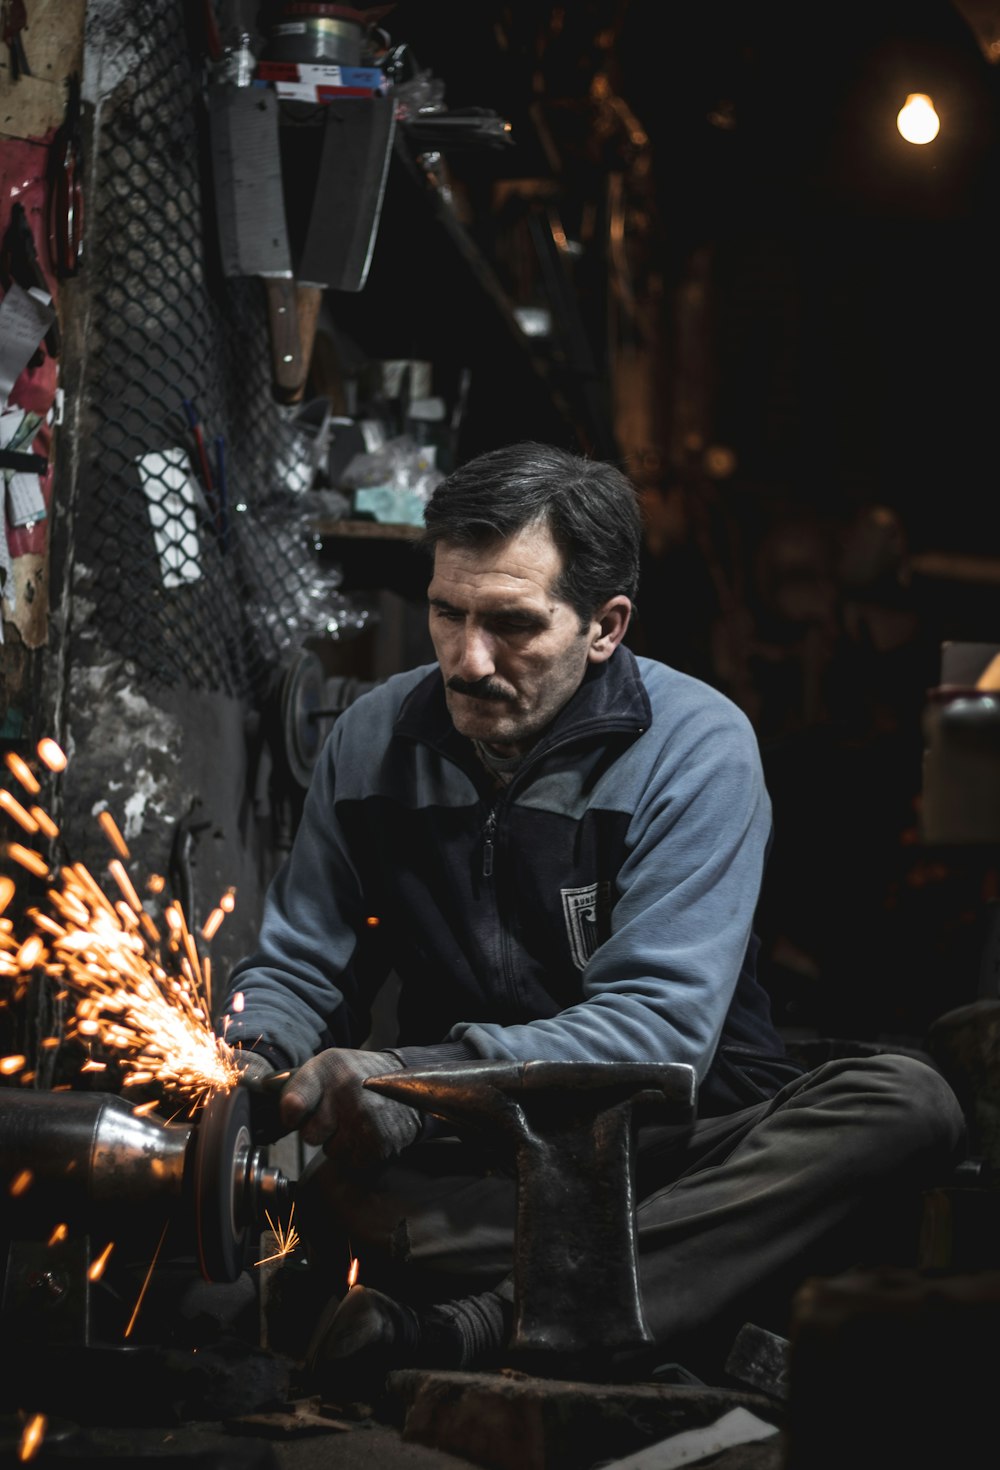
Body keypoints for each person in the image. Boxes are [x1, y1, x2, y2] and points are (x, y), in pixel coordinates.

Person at [220, 440, 965, 1395]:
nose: (466, 658)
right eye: (446, 613)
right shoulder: (371, 741)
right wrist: (249, 1055)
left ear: (605, 627)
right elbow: (300, 967)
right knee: (328, 1191)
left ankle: (482, 1320)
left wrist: (407, 1087)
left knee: (908, 1106)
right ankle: (623, 1290)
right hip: (476, 1164)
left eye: (512, 625)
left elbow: (657, 1034)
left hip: (672, 1151)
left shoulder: (696, 747)